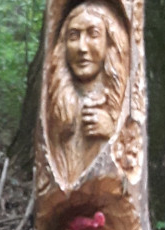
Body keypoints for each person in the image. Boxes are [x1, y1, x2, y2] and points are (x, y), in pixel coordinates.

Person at [46, 1, 129, 185]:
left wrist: (112, 133)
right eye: (74, 36)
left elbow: (131, 173)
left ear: (110, 42)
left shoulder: (122, 100)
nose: (82, 48)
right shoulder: (57, 108)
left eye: (93, 34)